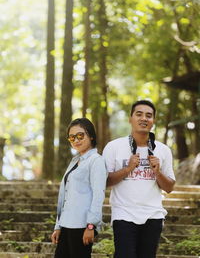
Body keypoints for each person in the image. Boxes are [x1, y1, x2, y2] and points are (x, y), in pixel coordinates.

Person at [103, 100, 176, 258]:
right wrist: (128, 168)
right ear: (130, 119)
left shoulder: (163, 150)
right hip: (123, 214)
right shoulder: (113, 147)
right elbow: (105, 182)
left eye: (149, 116)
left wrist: (158, 172)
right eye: (139, 114)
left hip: (153, 215)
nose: (144, 118)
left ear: (153, 121)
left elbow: (169, 187)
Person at [51, 117, 107, 258]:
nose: (76, 140)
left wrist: (91, 226)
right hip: (66, 225)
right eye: (72, 137)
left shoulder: (96, 161)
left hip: (82, 227)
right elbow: (65, 197)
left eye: (80, 135)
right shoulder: (75, 161)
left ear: (91, 136)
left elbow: (98, 195)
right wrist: (58, 226)